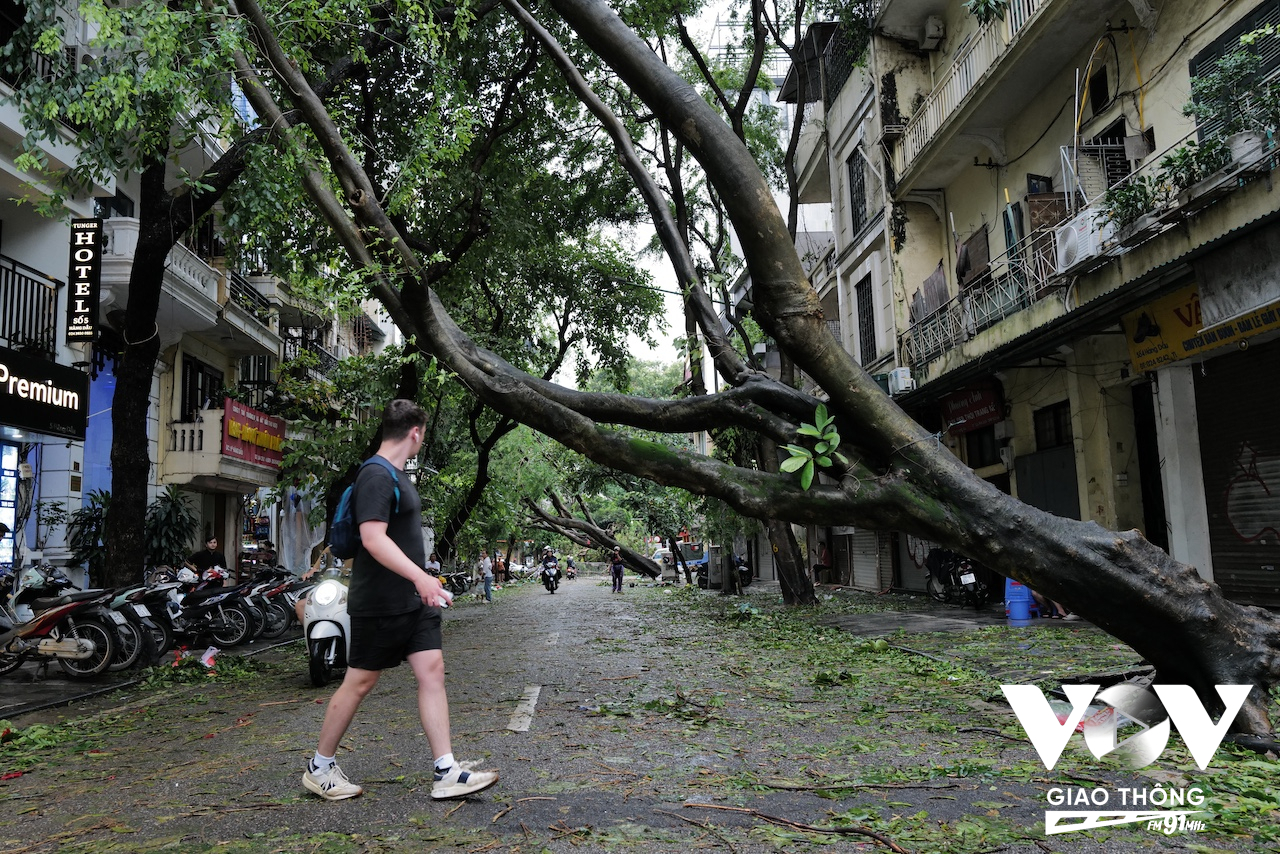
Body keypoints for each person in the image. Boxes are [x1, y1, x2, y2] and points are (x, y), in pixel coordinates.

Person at [302, 399, 498, 802]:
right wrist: (421, 578)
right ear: (415, 433)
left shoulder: (396, 474)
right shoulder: (375, 475)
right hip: (380, 601)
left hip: (414, 601)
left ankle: (446, 770)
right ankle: (319, 767)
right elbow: (372, 539)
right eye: (421, 434)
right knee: (359, 682)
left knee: (432, 671)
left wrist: (427, 586)